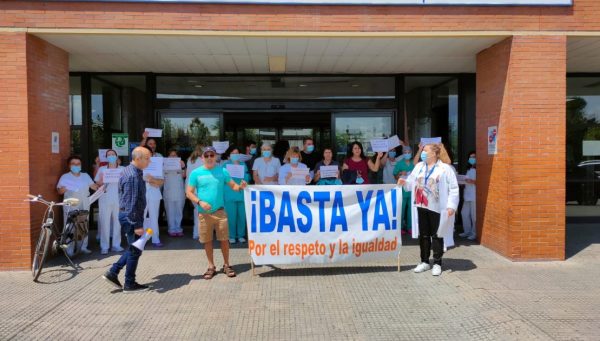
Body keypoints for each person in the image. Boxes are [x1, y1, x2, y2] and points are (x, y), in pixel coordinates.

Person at [397, 143, 459, 276]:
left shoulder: (445, 169)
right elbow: (411, 182)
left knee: (437, 234)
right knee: (423, 235)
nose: (423, 153)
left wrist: (451, 206)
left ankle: (437, 263)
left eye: (425, 151)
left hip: (438, 207)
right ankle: (424, 261)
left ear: (435, 153)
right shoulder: (419, 166)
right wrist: (404, 182)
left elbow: (454, 188)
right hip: (421, 205)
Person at [186, 146, 247, 280]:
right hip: (204, 213)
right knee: (207, 241)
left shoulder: (223, 171)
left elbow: (234, 186)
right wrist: (200, 202)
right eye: (206, 156)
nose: (209, 158)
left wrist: (241, 186)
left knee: (224, 240)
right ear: (202, 158)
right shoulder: (196, 173)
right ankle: (211, 266)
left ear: (216, 157)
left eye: (211, 155)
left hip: (220, 212)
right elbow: (189, 192)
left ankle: (226, 265)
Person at [103, 147, 152, 293]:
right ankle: (129, 283)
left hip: (130, 216)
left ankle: (113, 272)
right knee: (135, 250)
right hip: (131, 217)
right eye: (147, 158)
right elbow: (131, 203)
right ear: (138, 158)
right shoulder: (132, 176)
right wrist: (137, 224)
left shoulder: (135, 171)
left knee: (134, 248)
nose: (149, 161)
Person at [57, 155, 99, 254]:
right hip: (70, 204)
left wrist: (100, 187)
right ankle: (69, 249)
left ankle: (82, 247)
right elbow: (59, 191)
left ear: (80, 165)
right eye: (73, 164)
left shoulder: (85, 176)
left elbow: (93, 186)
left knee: (83, 225)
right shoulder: (65, 176)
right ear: (69, 165)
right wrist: (64, 189)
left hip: (84, 203)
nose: (76, 166)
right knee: (69, 226)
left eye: (78, 164)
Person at [94, 150, 125, 254]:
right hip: (105, 198)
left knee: (118, 222)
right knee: (104, 222)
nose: (111, 156)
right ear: (106, 157)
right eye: (109, 155)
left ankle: (116, 245)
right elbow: (97, 183)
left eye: (113, 155)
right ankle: (104, 246)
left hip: (119, 198)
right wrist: (102, 180)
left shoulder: (123, 169)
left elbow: (128, 183)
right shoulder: (102, 169)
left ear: (117, 156)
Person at [222, 146, 250, 244]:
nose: (235, 155)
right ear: (229, 155)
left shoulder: (243, 164)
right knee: (231, 217)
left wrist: (245, 179)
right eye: (233, 153)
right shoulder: (225, 165)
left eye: (237, 153)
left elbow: (247, 176)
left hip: (241, 194)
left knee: (242, 216)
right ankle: (231, 236)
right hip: (229, 194)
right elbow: (223, 179)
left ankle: (241, 235)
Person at [164, 148, 186, 237]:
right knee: (170, 211)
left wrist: (183, 167)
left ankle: (178, 228)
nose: (173, 157)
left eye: (175, 155)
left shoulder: (181, 164)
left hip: (180, 191)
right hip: (168, 192)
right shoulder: (163, 165)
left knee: (179, 211)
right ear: (167, 157)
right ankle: (171, 229)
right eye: (171, 155)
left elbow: (185, 175)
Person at [393, 145, 415, 235]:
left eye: (408, 152)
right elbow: (395, 176)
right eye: (405, 152)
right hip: (402, 190)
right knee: (401, 210)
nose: (407, 154)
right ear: (403, 153)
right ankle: (400, 227)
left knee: (411, 210)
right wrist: (400, 173)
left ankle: (410, 227)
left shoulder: (414, 163)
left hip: (411, 190)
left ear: (411, 153)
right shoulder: (399, 163)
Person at [187, 143, 205, 239]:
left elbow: (187, 175)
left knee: (197, 211)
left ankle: (197, 233)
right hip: (201, 189)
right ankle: (198, 233)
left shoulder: (190, 160)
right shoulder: (203, 161)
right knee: (200, 212)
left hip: (191, 189)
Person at [459, 151, 477, 241]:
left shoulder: (479, 169)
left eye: (474, 157)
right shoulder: (469, 169)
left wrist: (472, 181)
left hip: (474, 195)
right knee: (464, 213)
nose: (472, 159)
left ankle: (474, 233)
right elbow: (466, 180)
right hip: (467, 195)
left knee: (474, 215)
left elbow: (480, 181)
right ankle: (467, 231)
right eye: (470, 157)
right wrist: (463, 181)